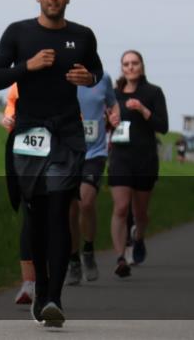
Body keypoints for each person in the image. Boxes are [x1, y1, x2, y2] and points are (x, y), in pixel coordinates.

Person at [0, 0, 103, 328]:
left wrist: (89, 78)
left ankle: (54, 297)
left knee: (58, 210)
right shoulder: (19, 33)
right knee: (35, 215)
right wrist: (28, 66)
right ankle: (40, 290)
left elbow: (96, 72)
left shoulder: (82, 36)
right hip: (30, 134)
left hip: (66, 134)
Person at [107, 50, 168, 276]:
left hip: (144, 158)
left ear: (142, 66)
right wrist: (110, 120)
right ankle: (120, 258)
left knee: (140, 213)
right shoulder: (114, 95)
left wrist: (143, 110)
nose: (130, 67)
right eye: (126, 64)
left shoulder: (153, 92)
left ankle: (139, 238)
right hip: (120, 157)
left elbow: (163, 126)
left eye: (134, 63)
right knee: (121, 207)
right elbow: (105, 123)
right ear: (122, 68)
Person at [67, 72, 119, 284]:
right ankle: (73, 260)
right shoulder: (62, 75)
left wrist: (115, 116)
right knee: (70, 209)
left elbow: (113, 104)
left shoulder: (102, 78)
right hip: (67, 152)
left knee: (86, 202)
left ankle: (88, 251)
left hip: (94, 153)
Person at [3, 83, 37, 306]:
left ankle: (51, 277)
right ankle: (29, 282)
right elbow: (10, 108)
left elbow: (76, 118)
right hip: (25, 155)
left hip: (55, 157)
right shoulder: (18, 82)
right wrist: (8, 120)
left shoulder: (62, 77)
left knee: (52, 217)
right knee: (29, 216)